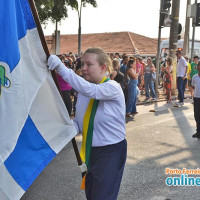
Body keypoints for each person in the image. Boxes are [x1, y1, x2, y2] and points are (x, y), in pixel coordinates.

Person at [48, 47, 127, 200]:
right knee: (92, 195)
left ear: (103, 67)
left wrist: (61, 68)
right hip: (90, 152)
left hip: (110, 152)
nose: (83, 68)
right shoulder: (84, 91)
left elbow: (92, 91)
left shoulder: (112, 87)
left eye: (88, 64)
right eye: (82, 64)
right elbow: (79, 121)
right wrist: (64, 129)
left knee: (102, 196)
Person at [191, 62, 200, 138]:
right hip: (197, 98)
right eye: (199, 66)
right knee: (197, 115)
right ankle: (198, 132)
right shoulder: (194, 77)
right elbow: (193, 87)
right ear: (197, 68)